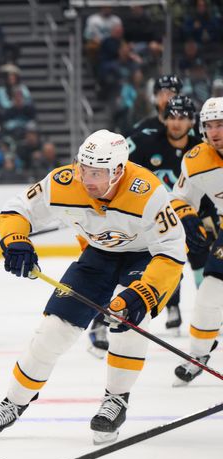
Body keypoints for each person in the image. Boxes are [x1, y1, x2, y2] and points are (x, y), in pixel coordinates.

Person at [0, 129, 185, 445]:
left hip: (144, 258)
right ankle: (14, 401)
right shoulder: (64, 181)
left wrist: (144, 292)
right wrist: (15, 239)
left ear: (118, 171)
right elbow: (17, 209)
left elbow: (172, 250)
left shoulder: (148, 193)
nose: (87, 179)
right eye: (84, 168)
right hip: (97, 257)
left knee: (129, 322)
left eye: (97, 173)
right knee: (51, 332)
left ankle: (116, 399)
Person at [87, 96, 202, 352]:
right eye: (172, 116)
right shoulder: (146, 141)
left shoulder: (200, 149)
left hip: (179, 219)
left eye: (182, 117)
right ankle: (99, 320)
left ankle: (190, 314)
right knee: (116, 269)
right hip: (142, 220)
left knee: (175, 263)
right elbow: (115, 164)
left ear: (191, 121)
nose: (176, 122)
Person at [170, 97, 223, 385]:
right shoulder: (195, 160)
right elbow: (179, 198)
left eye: (221, 125)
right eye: (210, 126)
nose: (215, 132)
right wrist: (189, 220)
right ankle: (198, 354)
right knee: (209, 295)